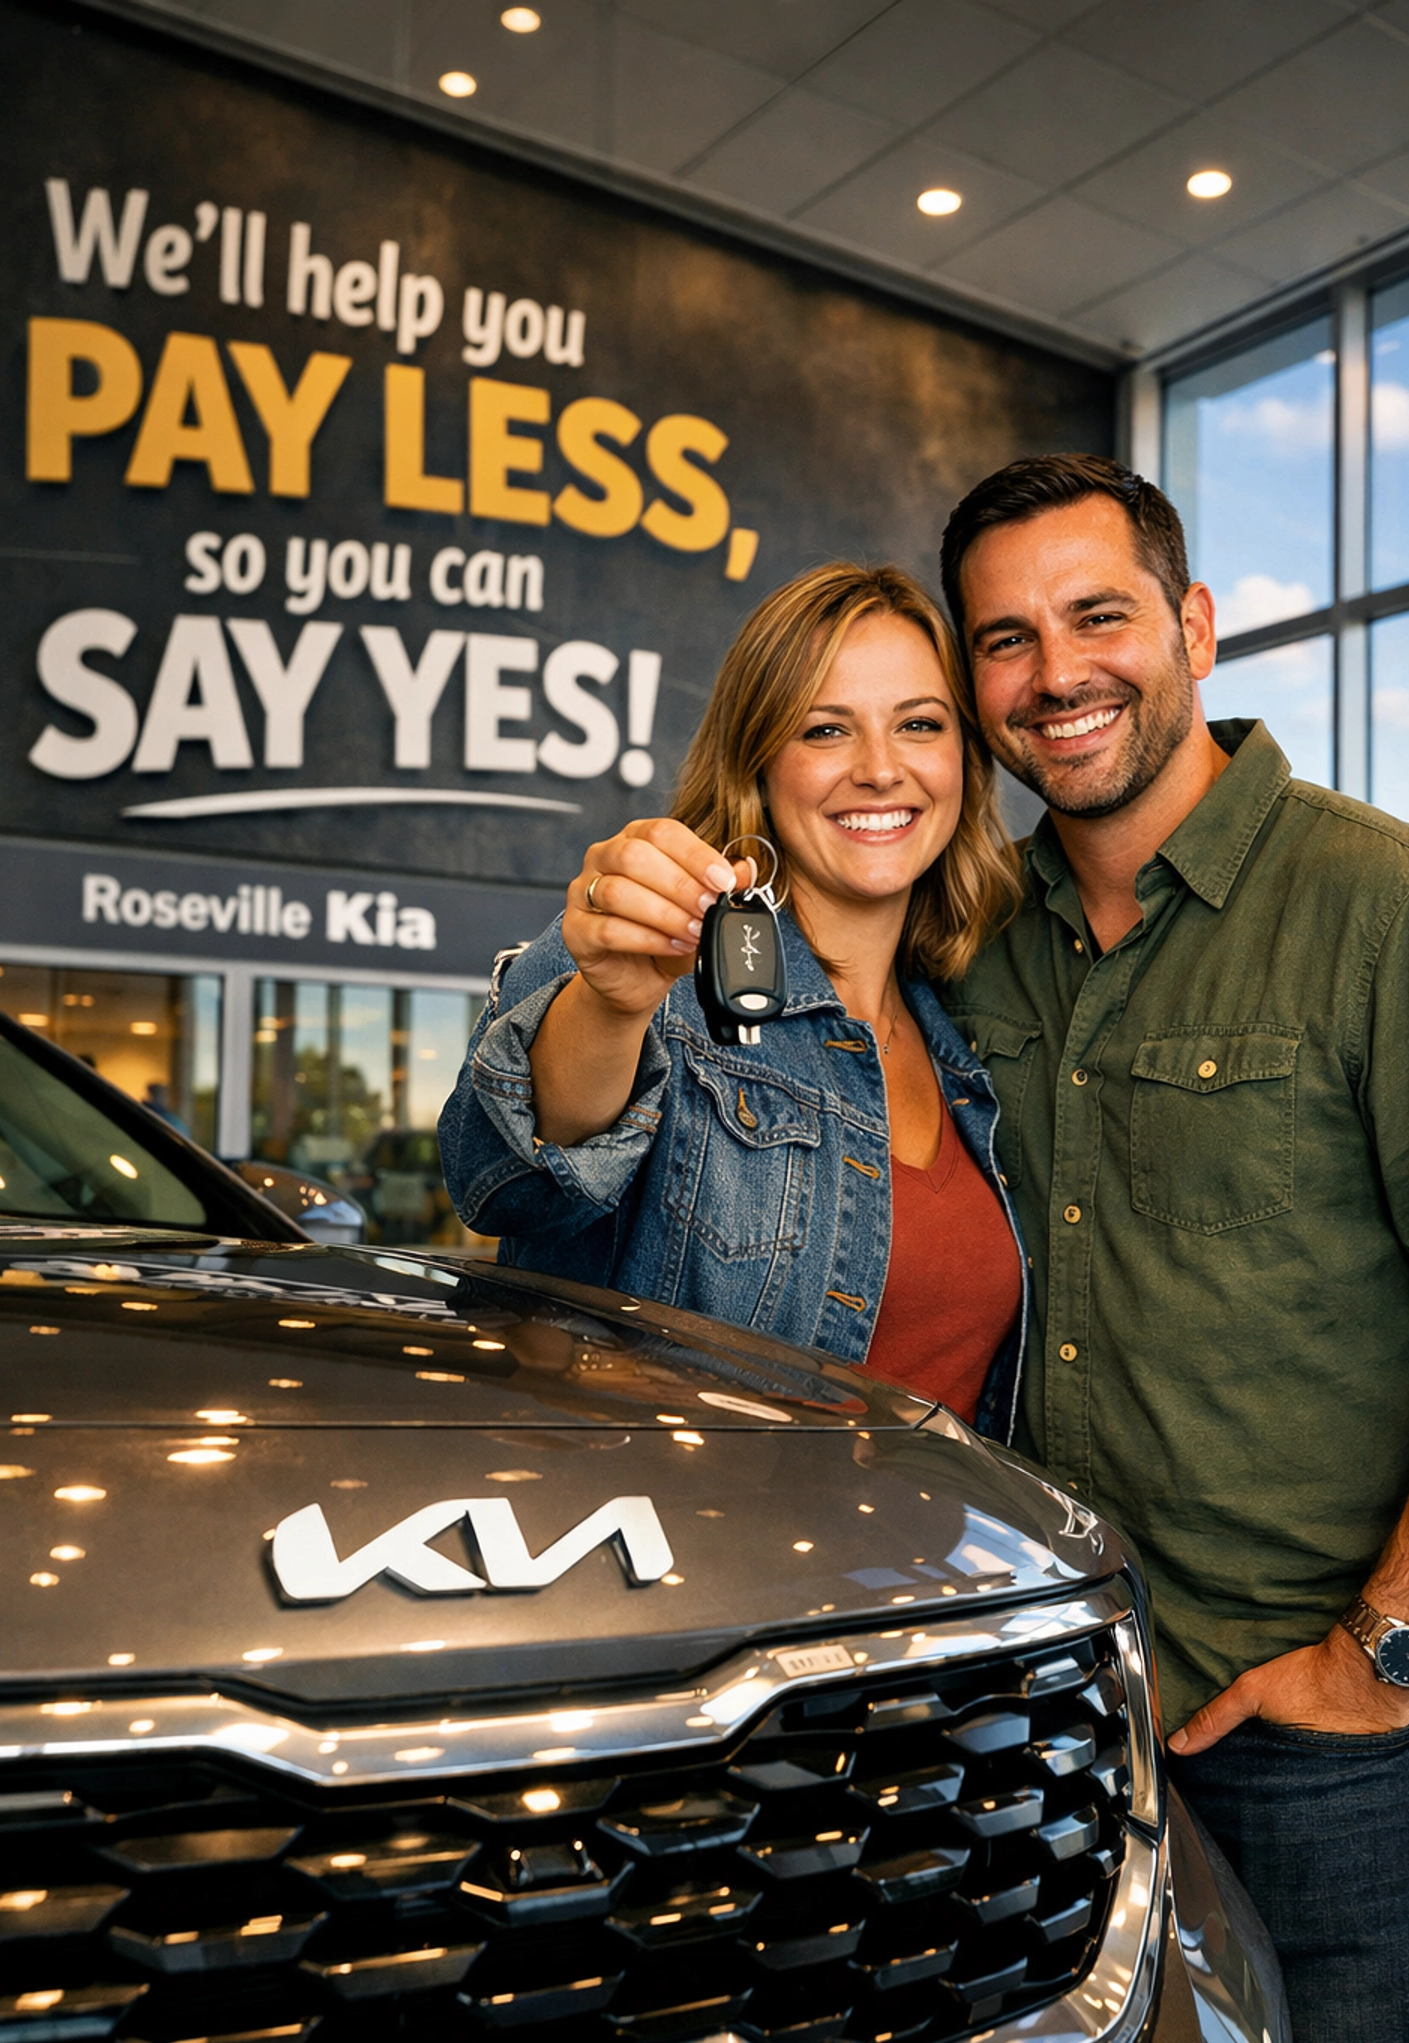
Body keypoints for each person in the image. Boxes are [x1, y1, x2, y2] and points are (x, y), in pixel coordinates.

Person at [936, 451, 1409, 2043]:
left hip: (1330, 1729)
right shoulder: (975, 936)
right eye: (1004, 638)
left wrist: (1387, 1650)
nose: (1054, 672)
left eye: (1097, 615)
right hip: (1062, 1726)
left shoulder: (1390, 906)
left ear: (1188, 626)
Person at [439, 561, 1027, 1432]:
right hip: (683, 1556)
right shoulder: (656, 961)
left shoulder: (964, 1037)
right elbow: (510, 1180)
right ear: (759, 760)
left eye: (919, 724)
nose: (878, 768)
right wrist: (610, 1006)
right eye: (826, 730)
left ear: (964, 762)